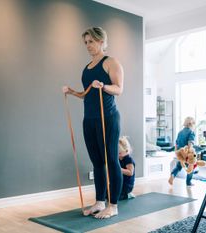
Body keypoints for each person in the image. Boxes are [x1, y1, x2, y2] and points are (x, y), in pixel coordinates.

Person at [62, 27, 124, 219]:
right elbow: (86, 94)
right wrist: (72, 92)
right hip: (89, 119)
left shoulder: (111, 62)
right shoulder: (87, 68)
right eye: (86, 42)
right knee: (97, 162)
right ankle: (99, 202)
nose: (88, 45)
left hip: (108, 117)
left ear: (101, 41)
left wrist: (104, 86)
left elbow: (119, 89)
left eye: (91, 41)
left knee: (111, 160)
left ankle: (113, 205)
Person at [168, 116, 196, 187]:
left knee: (178, 166)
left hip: (179, 152)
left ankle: (172, 175)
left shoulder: (180, 132)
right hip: (186, 153)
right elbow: (190, 143)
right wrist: (191, 152)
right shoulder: (191, 132)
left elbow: (176, 143)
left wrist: (176, 152)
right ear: (191, 124)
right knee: (191, 166)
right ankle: (188, 182)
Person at [118, 136, 135, 200]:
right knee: (107, 195)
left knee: (118, 197)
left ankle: (128, 195)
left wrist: (119, 169)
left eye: (119, 153)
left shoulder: (128, 159)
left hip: (126, 185)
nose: (118, 154)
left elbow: (130, 172)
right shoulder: (118, 159)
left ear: (126, 151)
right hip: (120, 183)